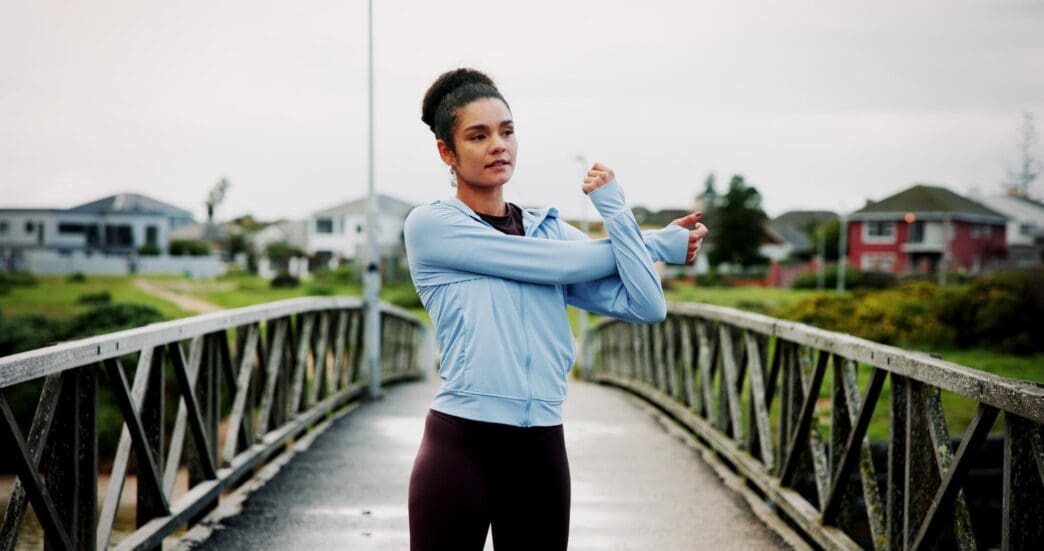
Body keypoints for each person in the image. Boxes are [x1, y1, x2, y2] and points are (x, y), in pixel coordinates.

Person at [404, 68, 708, 551]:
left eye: (506, 131)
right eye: (477, 136)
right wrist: (659, 243)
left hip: (542, 449)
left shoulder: (549, 229)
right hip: (462, 448)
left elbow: (646, 304)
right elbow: (556, 263)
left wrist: (617, 213)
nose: (498, 145)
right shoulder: (432, 227)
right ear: (447, 151)